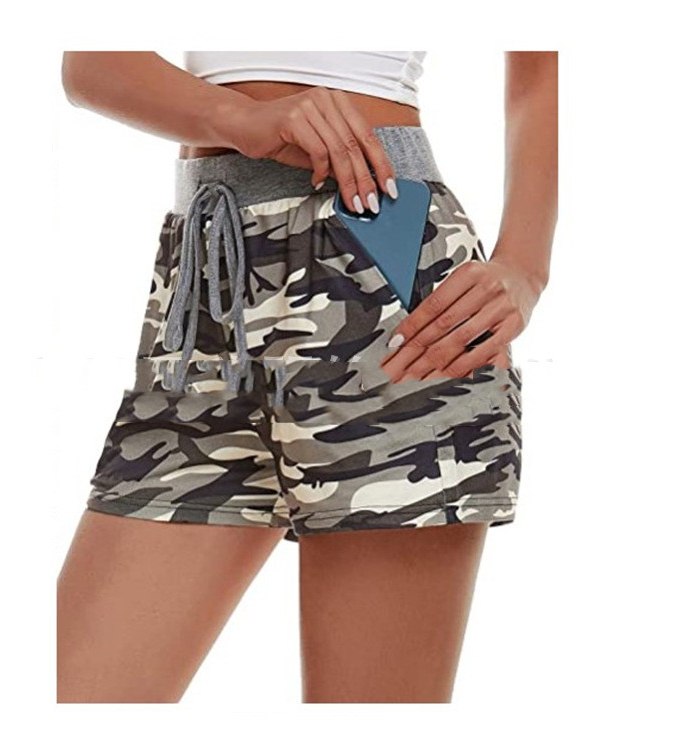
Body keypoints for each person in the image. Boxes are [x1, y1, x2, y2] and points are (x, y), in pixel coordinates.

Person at [57, 50, 557, 703]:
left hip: (383, 271)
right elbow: (89, 62)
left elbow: (542, 66)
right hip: (204, 290)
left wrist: (525, 266)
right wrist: (235, 117)